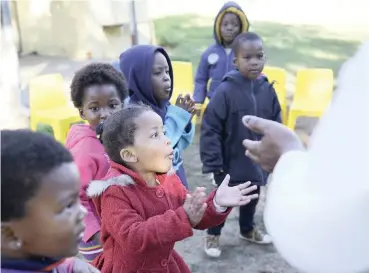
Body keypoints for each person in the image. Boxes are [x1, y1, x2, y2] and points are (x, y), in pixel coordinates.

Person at [85, 104, 259, 273]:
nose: (167, 140)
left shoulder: (166, 179)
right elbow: (133, 237)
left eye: (164, 132)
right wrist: (183, 216)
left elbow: (195, 216)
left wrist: (216, 203)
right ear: (130, 154)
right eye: (155, 135)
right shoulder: (114, 192)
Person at [200, 32, 282, 257]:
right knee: (223, 202)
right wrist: (214, 163)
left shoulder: (267, 89)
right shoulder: (225, 91)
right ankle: (213, 234)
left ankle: (247, 229)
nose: (255, 61)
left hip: (258, 162)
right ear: (235, 62)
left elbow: (276, 124)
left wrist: (276, 152)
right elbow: (211, 128)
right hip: (230, 163)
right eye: (247, 57)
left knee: (252, 197)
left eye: (259, 56)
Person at [1, 130, 99, 273]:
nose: (82, 212)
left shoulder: (39, 257)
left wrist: (67, 266)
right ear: (11, 235)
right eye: (67, 206)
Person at [65, 63, 129, 262]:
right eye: (94, 108)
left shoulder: (119, 138)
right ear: (82, 113)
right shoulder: (85, 150)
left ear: (123, 105)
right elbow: (73, 198)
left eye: (112, 105)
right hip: (97, 237)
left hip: (118, 227)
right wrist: (96, 233)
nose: (105, 113)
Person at [119, 45, 195, 189]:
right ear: (138, 77)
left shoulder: (163, 106)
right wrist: (178, 118)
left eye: (167, 71)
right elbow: (159, 148)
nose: (166, 78)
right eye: (158, 73)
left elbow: (182, 144)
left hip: (178, 184)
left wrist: (186, 121)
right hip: (159, 191)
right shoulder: (135, 114)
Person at [193, 1, 249, 106]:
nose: (229, 28)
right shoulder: (208, 53)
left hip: (238, 105)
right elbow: (200, 80)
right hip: (214, 103)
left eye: (235, 25)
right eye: (225, 24)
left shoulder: (246, 54)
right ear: (218, 26)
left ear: (241, 28)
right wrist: (198, 101)